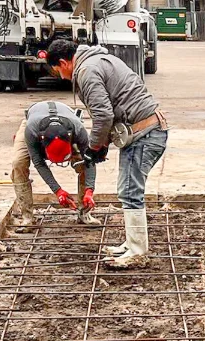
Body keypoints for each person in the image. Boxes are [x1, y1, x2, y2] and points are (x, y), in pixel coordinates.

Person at [45, 39, 169, 268]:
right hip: (143, 131)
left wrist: (93, 148)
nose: (62, 78)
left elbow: (103, 116)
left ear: (63, 62)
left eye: (58, 72)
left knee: (130, 192)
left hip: (144, 134)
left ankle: (138, 252)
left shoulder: (87, 71)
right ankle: (132, 243)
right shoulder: (99, 59)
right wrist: (102, 145)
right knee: (127, 190)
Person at [11, 101, 100, 227]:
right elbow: (39, 163)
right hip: (33, 122)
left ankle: (84, 213)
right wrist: (58, 191)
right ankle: (27, 217)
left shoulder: (78, 130)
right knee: (18, 163)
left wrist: (89, 190)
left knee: (83, 163)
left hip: (68, 119)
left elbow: (90, 160)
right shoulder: (31, 131)